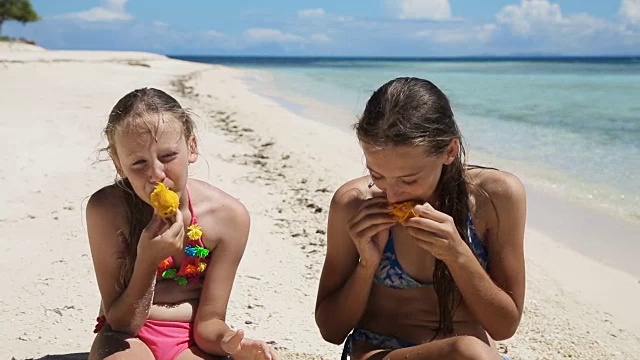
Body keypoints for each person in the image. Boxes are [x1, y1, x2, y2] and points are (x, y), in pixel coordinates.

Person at [315, 77, 526, 360]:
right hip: (379, 353)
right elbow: (332, 330)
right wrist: (366, 266)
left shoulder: (494, 198)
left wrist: (458, 255)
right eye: (377, 176)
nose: (392, 196)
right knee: (467, 351)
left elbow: (504, 326)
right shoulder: (354, 204)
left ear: (450, 151)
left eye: (409, 180)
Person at [86, 88, 279, 360]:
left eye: (167, 156)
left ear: (191, 148)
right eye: (139, 162)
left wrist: (231, 344)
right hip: (126, 336)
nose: (156, 174)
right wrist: (148, 260)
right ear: (119, 164)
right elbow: (119, 323)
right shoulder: (107, 211)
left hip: (191, 340)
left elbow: (209, 321)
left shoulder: (227, 217)